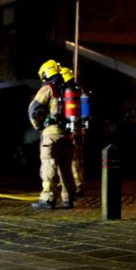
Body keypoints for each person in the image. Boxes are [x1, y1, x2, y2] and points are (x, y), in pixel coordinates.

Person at [28, 59, 75, 209]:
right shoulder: (67, 89)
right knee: (65, 167)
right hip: (67, 133)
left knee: (49, 164)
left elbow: (33, 109)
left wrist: (38, 125)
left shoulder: (48, 88)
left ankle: (47, 198)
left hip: (51, 133)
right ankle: (68, 199)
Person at [60, 66, 85, 197]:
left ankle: (78, 186)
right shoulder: (79, 90)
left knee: (72, 160)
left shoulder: (68, 91)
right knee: (77, 159)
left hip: (72, 130)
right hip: (78, 129)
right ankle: (79, 183)